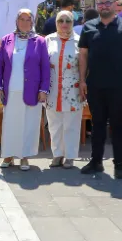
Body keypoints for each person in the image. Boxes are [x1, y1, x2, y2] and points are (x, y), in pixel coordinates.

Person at [78, 0, 122, 179]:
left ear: (115, 5)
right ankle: (96, 161)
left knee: (118, 125)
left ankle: (119, 164)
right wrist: (82, 80)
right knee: (97, 125)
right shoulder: (88, 27)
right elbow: (83, 56)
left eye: (107, 2)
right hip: (95, 85)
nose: (104, 6)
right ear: (96, 6)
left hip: (119, 86)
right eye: (100, 3)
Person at [0, 9, 50, 170]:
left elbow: (45, 67)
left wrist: (43, 89)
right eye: (21, 19)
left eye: (28, 19)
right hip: (11, 90)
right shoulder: (7, 39)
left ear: (32, 22)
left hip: (32, 90)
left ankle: (24, 156)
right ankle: (8, 155)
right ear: (16, 21)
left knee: (29, 124)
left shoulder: (40, 41)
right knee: (10, 124)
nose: (25, 22)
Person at [45, 9, 83, 168]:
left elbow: (85, 66)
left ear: (73, 23)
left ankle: (70, 156)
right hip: (52, 89)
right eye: (61, 21)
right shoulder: (48, 40)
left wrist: (83, 85)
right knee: (54, 124)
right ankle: (57, 154)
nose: (64, 24)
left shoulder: (80, 41)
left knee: (71, 124)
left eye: (68, 21)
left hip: (73, 90)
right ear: (56, 23)